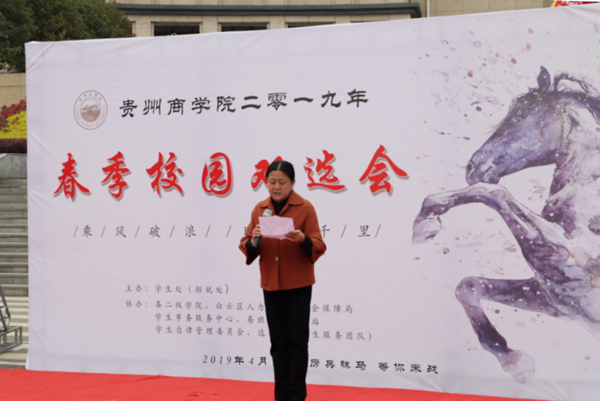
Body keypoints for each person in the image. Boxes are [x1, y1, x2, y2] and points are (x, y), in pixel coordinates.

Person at [239, 160, 326, 401]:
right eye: (272, 182)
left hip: (298, 285)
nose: (276, 187)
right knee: (278, 344)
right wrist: (253, 239)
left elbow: (319, 244)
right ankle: (281, 395)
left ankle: (296, 395)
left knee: (297, 343)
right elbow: (245, 243)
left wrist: (302, 238)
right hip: (271, 284)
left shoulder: (305, 208)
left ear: (293, 183)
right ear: (266, 183)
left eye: (282, 182)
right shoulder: (260, 209)